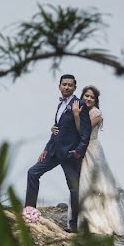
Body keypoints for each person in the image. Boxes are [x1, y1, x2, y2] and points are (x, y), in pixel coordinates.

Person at [25, 74, 92, 232]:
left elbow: (85, 132)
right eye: (64, 84)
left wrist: (78, 152)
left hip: (70, 153)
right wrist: (46, 149)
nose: (67, 87)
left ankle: (74, 225)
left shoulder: (79, 104)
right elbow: (57, 129)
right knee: (33, 172)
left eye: (70, 85)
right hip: (54, 151)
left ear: (75, 88)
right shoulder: (60, 104)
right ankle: (29, 212)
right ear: (59, 86)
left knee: (74, 189)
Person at [70, 86, 124, 235]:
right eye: (86, 96)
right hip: (81, 149)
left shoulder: (96, 113)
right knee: (81, 183)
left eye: (92, 97)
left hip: (91, 150)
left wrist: (76, 116)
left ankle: (97, 220)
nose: (88, 99)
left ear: (95, 100)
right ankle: (82, 218)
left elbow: (83, 131)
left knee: (95, 183)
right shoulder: (81, 110)